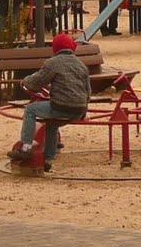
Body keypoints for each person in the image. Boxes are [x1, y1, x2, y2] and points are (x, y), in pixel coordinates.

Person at [8, 33, 90, 169]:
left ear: (55, 48)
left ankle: (26, 148)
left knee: (30, 110)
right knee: (52, 122)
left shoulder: (52, 63)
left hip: (61, 106)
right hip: (79, 109)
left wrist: (25, 81)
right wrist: (84, 111)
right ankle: (48, 159)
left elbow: (35, 83)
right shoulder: (81, 65)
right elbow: (88, 91)